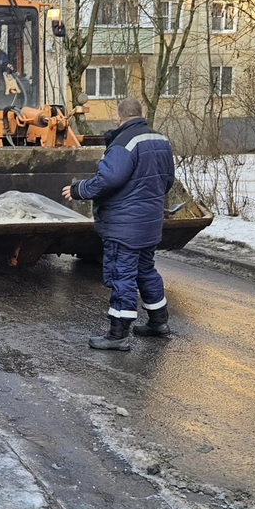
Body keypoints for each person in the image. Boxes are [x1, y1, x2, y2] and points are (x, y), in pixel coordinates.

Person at [62, 97, 175, 351]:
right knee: (146, 270)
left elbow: (108, 180)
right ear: (140, 114)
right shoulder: (160, 140)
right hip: (150, 223)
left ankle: (118, 335)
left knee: (121, 276)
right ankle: (158, 322)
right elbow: (167, 181)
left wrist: (79, 189)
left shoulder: (123, 143)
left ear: (119, 117)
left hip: (124, 226)